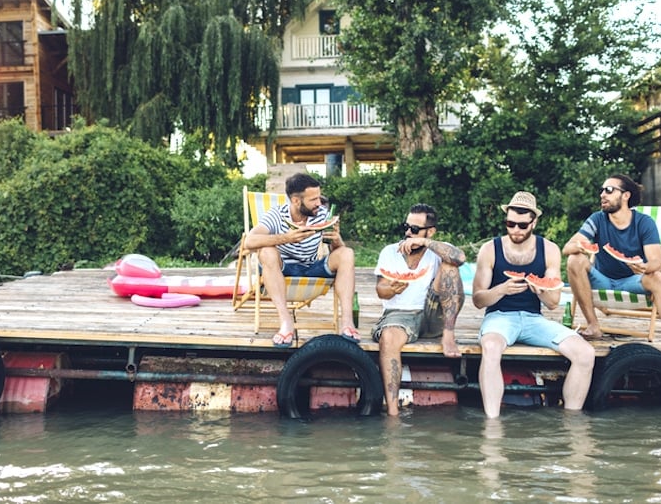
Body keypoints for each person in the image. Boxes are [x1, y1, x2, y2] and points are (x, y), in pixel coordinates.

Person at [473, 192, 595, 418]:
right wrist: (501, 289)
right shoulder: (490, 249)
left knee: (585, 353)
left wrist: (541, 292)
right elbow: (478, 300)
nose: (515, 230)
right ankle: (492, 423)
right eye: (510, 223)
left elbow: (552, 303)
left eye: (522, 225)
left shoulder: (549, 249)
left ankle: (571, 422)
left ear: (534, 222)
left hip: (533, 319)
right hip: (499, 316)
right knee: (490, 348)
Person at [562, 174, 661, 361]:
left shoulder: (644, 222)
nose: (603, 194)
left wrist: (643, 267)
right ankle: (593, 326)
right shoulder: (597, 219)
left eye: (609, 190)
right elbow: (567, 248)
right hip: (601, 279)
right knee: (574, 260)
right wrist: (582, 246)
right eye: (601, 190)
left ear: (625, 195)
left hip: (632, 281)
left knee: (657, 277)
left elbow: (656, 262)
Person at [371, 203, 466, 416]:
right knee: (388, 338)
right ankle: (393, 413)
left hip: (432, 312)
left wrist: (425, 242)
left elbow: (459, 258)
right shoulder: (389, 252)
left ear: (430, 231)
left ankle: (448, 334)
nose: (408, 233)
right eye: (407, 227)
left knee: (450, 267)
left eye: (414, 229)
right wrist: (391, 289)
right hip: (399, 315)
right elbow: (380, 290)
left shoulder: (437, 249)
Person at [244, 173, 358, 347]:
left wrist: (336, 239)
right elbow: (249, 241)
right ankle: (286, 322)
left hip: (313, 267)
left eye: (319, 197)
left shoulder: (321, 214)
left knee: (347, 253)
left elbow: (338, 251)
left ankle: (347, 322)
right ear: (296, 201)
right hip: (284, 269)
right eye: (313, 199)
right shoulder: (277, 215)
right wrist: (286, 238)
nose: (319, 203)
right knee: (266, 252)